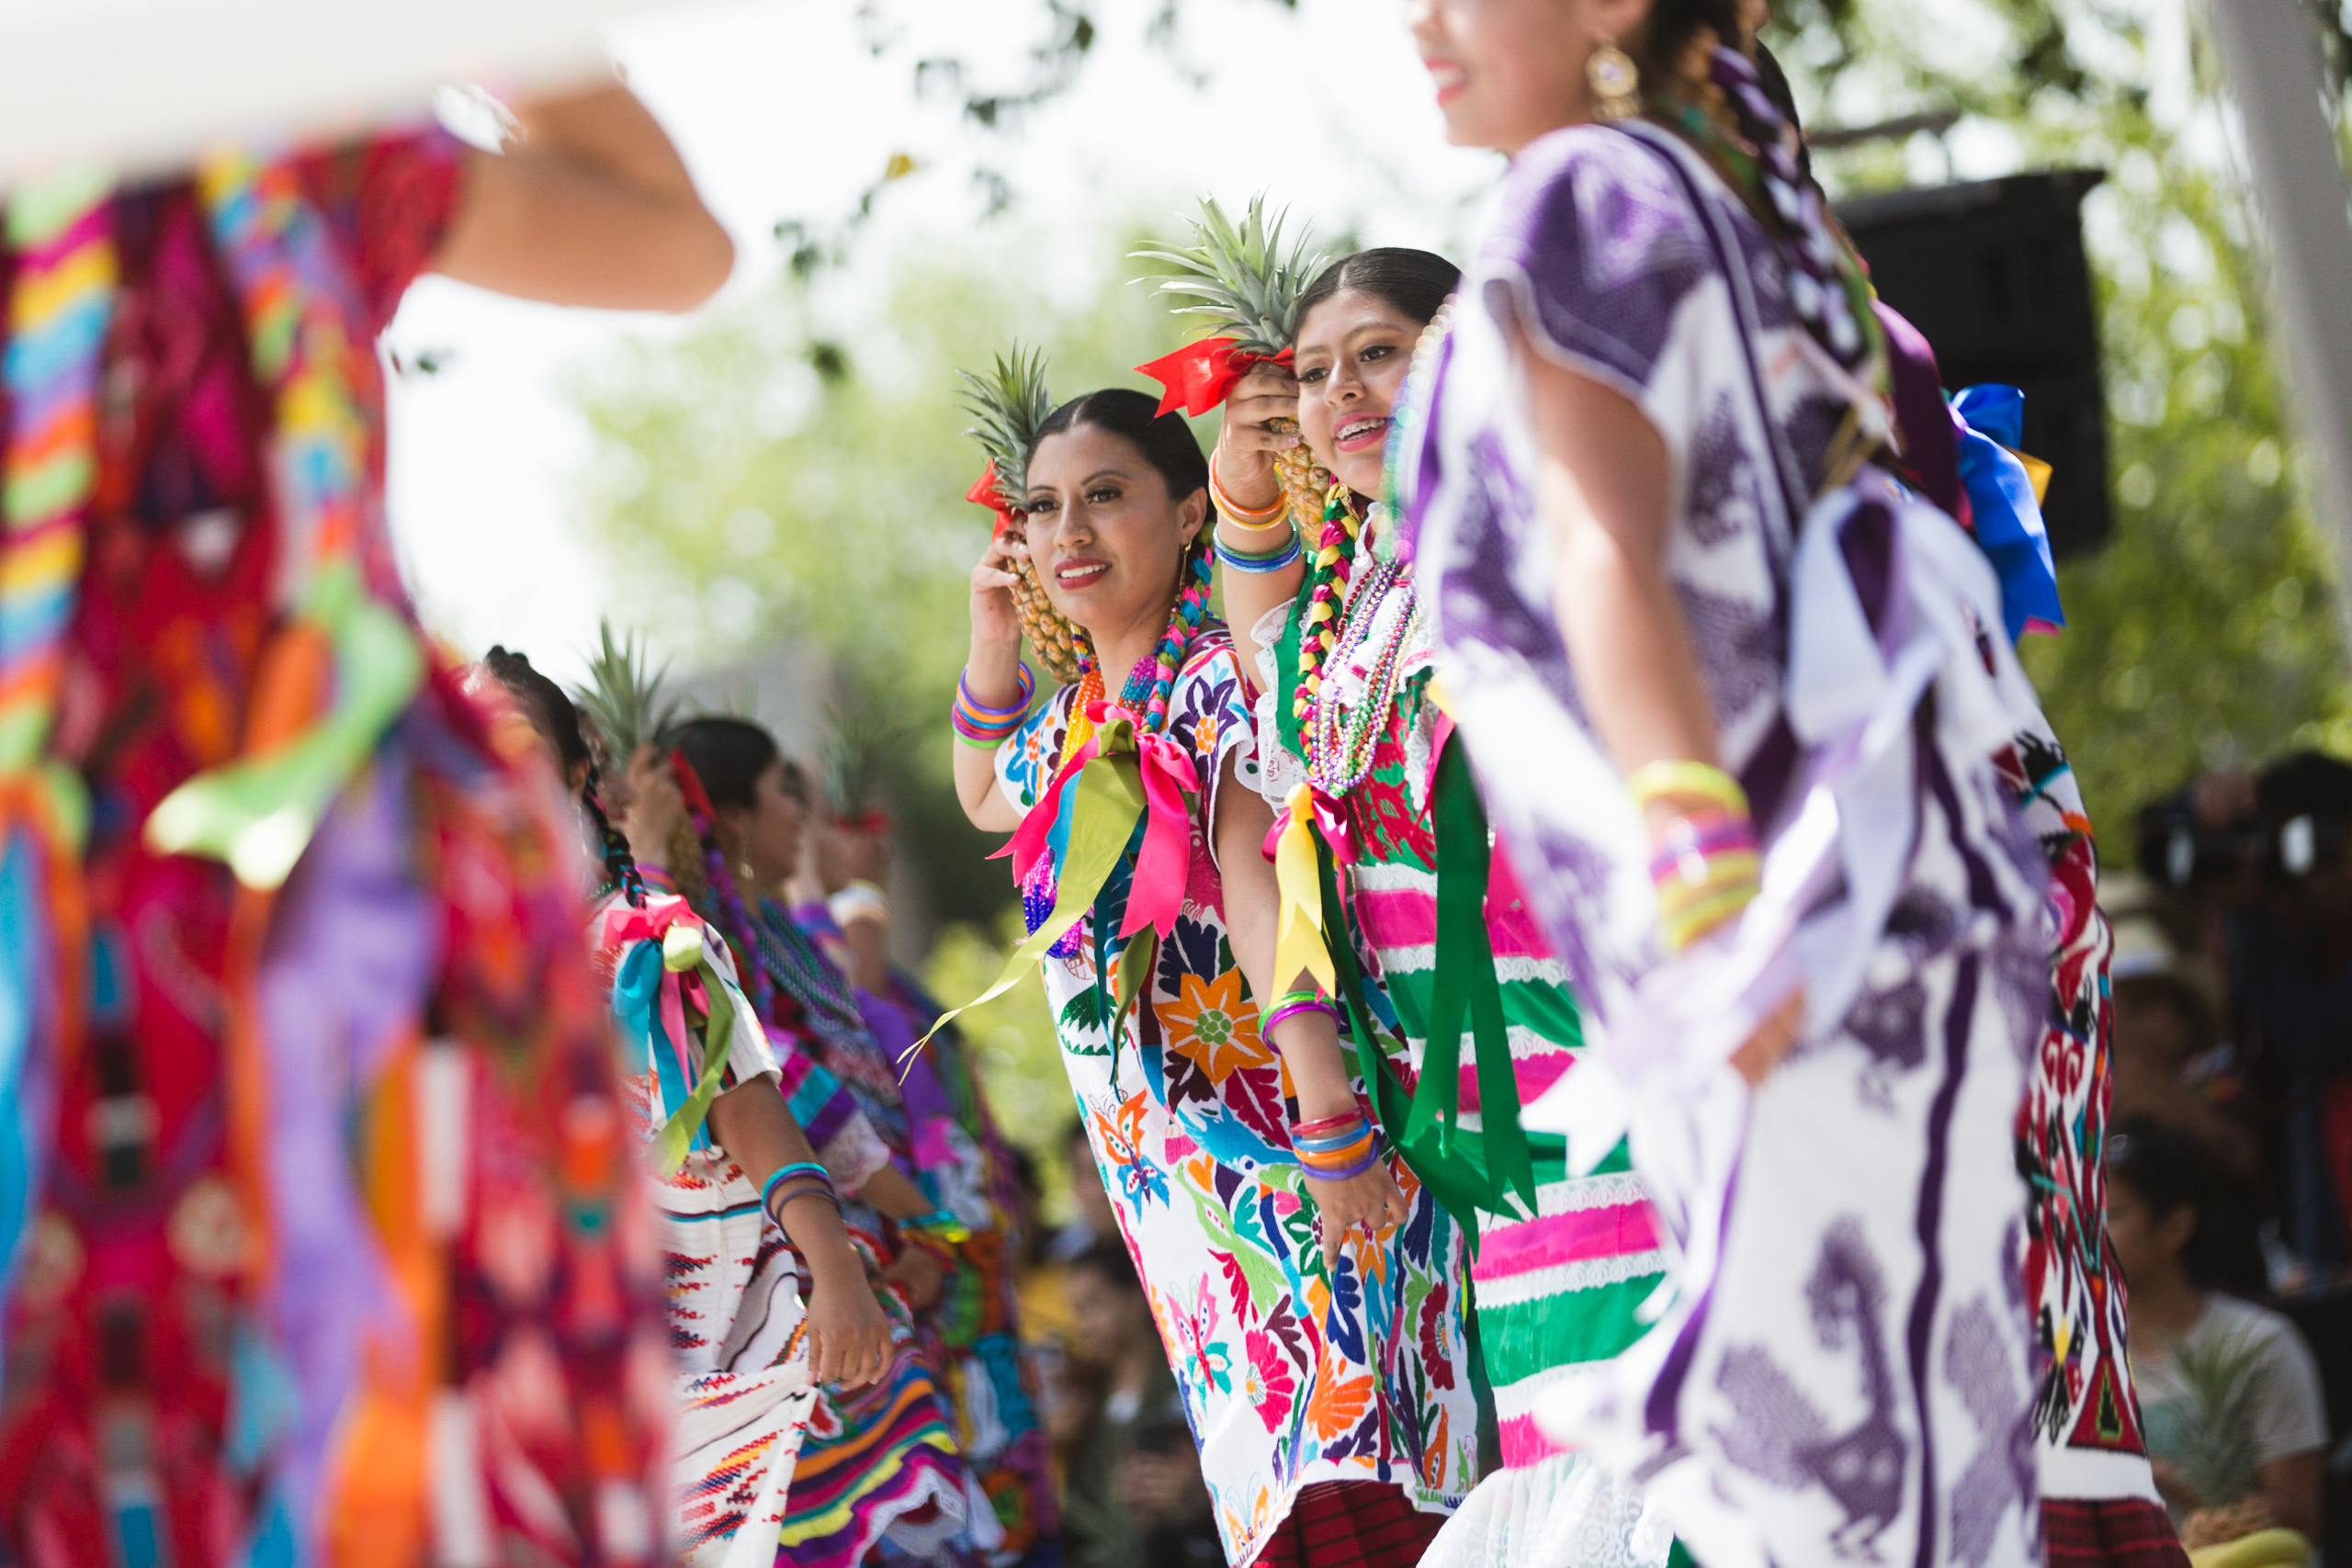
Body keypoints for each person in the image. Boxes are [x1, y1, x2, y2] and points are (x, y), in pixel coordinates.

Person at [0, 76, 727, 1563]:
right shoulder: (294, 127)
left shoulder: (293, 122)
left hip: (268, 914)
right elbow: (670, 244)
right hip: (312, 904)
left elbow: (676, 252)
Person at [1394, 3, 2052, 1565]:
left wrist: (1705, 888)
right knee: (1909, 1493)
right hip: (1872, 910)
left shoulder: (1584, 196)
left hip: (1769, 928)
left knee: (1831, 1505)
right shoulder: (1726, 201)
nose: (1417, 19)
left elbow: (1602, 546)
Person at [1206, 246, 1679, 1568]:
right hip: (1481, 1121)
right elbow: (1276, 706)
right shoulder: (1354, 610)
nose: (1341, 392)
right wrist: (1245, 510)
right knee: (1563, 1443)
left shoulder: (1521, 536)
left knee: (1652, 1451)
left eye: (1378, 353)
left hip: (1605, 1065)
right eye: (1310, 374)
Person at [954, 383, 1477, 1566]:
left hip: (1295, 1174)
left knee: (1369, 1505)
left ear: (1192, 513)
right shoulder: (1079, 721)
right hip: (1194, 1219)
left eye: (1104, 496)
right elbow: (983, 788)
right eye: (1042, 509)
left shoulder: (1217, 686)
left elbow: (1260, 896)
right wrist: (993, 635)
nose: (1068, 533)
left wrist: (1328, 1124)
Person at [474, 648, 897, 1566]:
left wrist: (837, 1270)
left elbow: (750, 1104)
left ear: (578, 771)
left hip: (709, 1370)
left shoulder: (643, 941)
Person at [665, 716, 1018, 1568]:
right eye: (786, 791)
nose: (803, 813)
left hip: (887, 1253)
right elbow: (794, 1083)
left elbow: (869, 1050)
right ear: (738, 815)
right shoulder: (709, 941)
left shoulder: (780, 935)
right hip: (834, 1266)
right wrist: (918, 1219)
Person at [2109, 1117, 2326, 1548]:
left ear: (2175, 1227)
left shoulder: (2259, 1344)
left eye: (2113, 1214)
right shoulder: (2072, 1359)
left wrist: (2165, 1477)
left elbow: (2302, 1514)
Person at [1057, 1240, 1221, 1568]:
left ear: (1135, 1297)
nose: (1084, 1324)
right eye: (1077, 1311)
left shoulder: (1194, 1381)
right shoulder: (1084, 1396)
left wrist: (1199, 1495)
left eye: (1094, 1305)